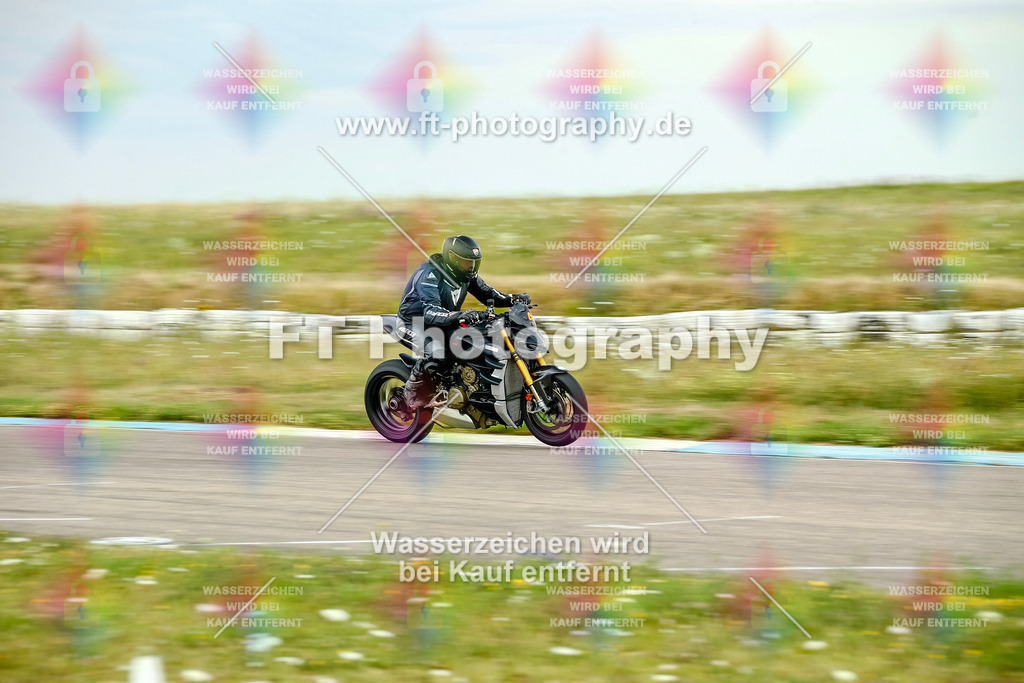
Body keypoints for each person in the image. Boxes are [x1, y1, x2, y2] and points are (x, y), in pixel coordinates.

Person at [398, 235, 530, 411]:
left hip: (444, 320)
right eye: (468, 262)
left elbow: (488, 294)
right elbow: (430, 312)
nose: (472, 267)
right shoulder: (430, 274)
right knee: (437, 354)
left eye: (475, 263)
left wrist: (513, 299)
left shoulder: (466, 274)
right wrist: (460, 316)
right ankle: (410, 394)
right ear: (453, 259)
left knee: (472, 342)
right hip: (413, 322)